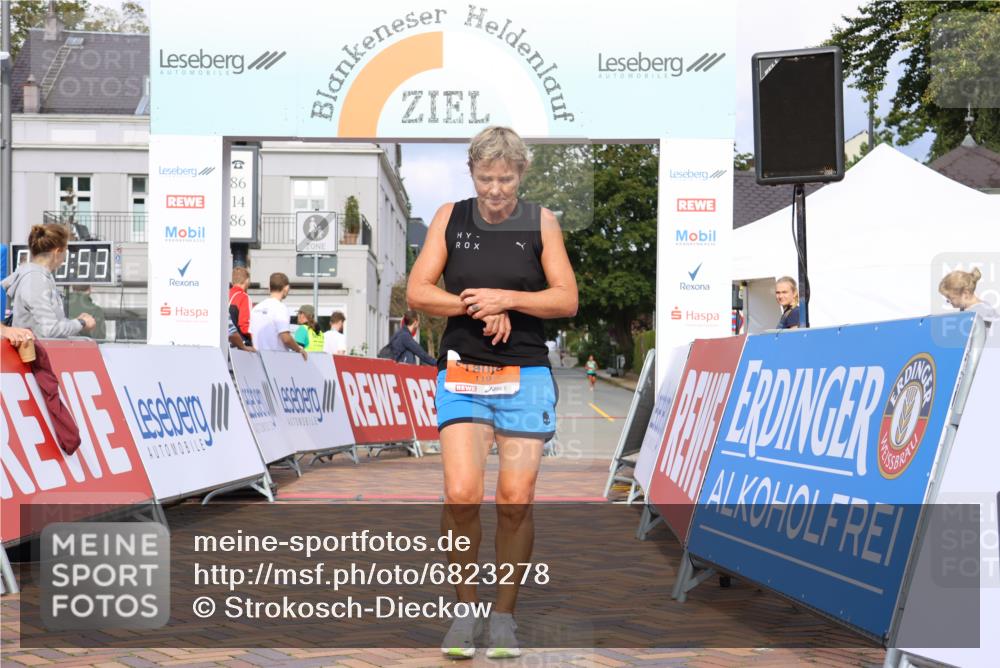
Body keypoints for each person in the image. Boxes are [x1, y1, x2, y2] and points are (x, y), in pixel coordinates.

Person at [406, 126, 578, 659]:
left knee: (514, 501)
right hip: (463, 373)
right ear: (472, 173)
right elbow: (418, 291)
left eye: (505, 179)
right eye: (486, 179)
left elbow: (566, 298)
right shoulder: (449, 217)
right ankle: (464, 613)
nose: (496, 190)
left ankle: (502, 615)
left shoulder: (541, 221)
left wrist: (509, 298)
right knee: (460, 495)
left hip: (523, 374)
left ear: (521, 174)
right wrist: (476, 305)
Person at [2, 224, 96, 338]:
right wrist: (81, 323)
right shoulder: (35, 281)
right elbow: (50, 330)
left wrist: (75, 322)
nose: (66, 255)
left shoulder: (39, 278)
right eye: (66, 250)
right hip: (37, 354)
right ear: (57, 252)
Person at [248, 272, 307, 360]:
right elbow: (285, 337)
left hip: (258, 359)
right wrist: (299, 349)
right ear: (286, 288)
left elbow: (252, 335)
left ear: (269, 287)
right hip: (276, 360)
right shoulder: (280, 308)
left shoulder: (256, 309)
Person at [228, 266, 253, 345]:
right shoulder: (244, 297)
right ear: (247, 281)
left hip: (227, 343)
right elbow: (244, 327)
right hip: (241, 346)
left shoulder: (225, 295)